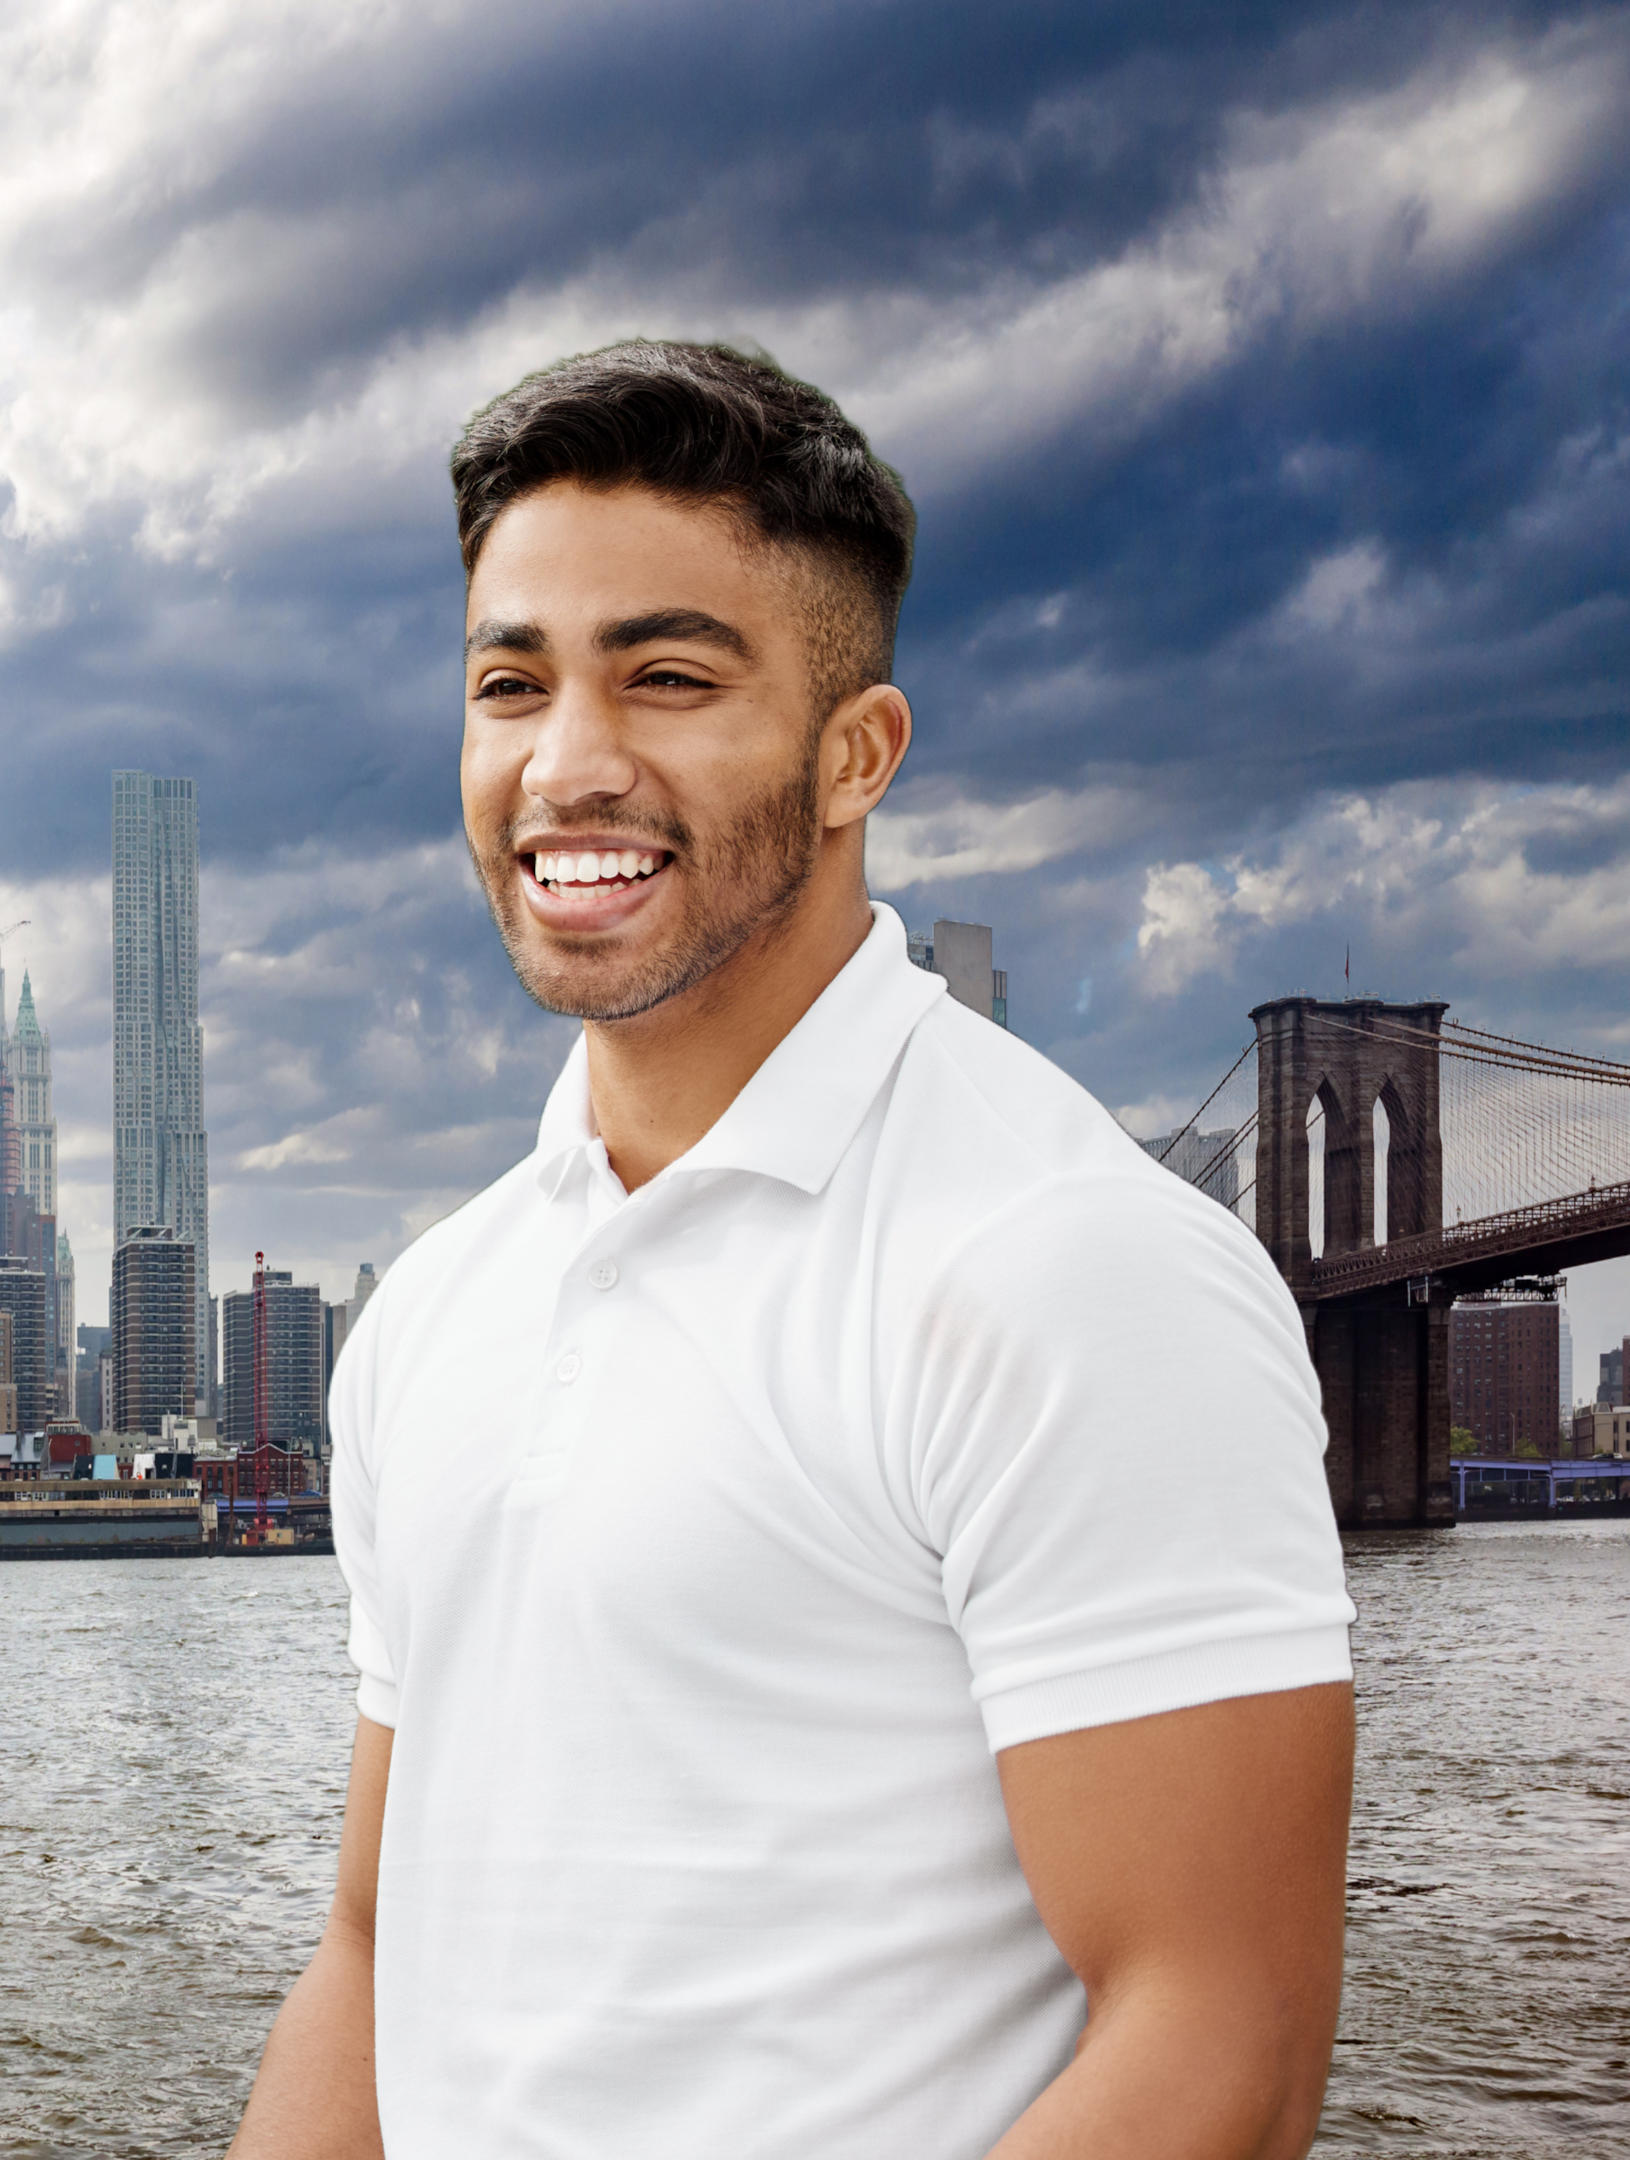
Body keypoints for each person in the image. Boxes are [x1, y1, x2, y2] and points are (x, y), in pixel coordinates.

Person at [228, 344, 1354, 2160]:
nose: (567, 764)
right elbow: (374, 1959)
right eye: (512, 683)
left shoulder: (1074, 1269)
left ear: (858, 755)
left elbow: (1221, 2051)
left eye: (667, 678)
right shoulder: (433, 1317)